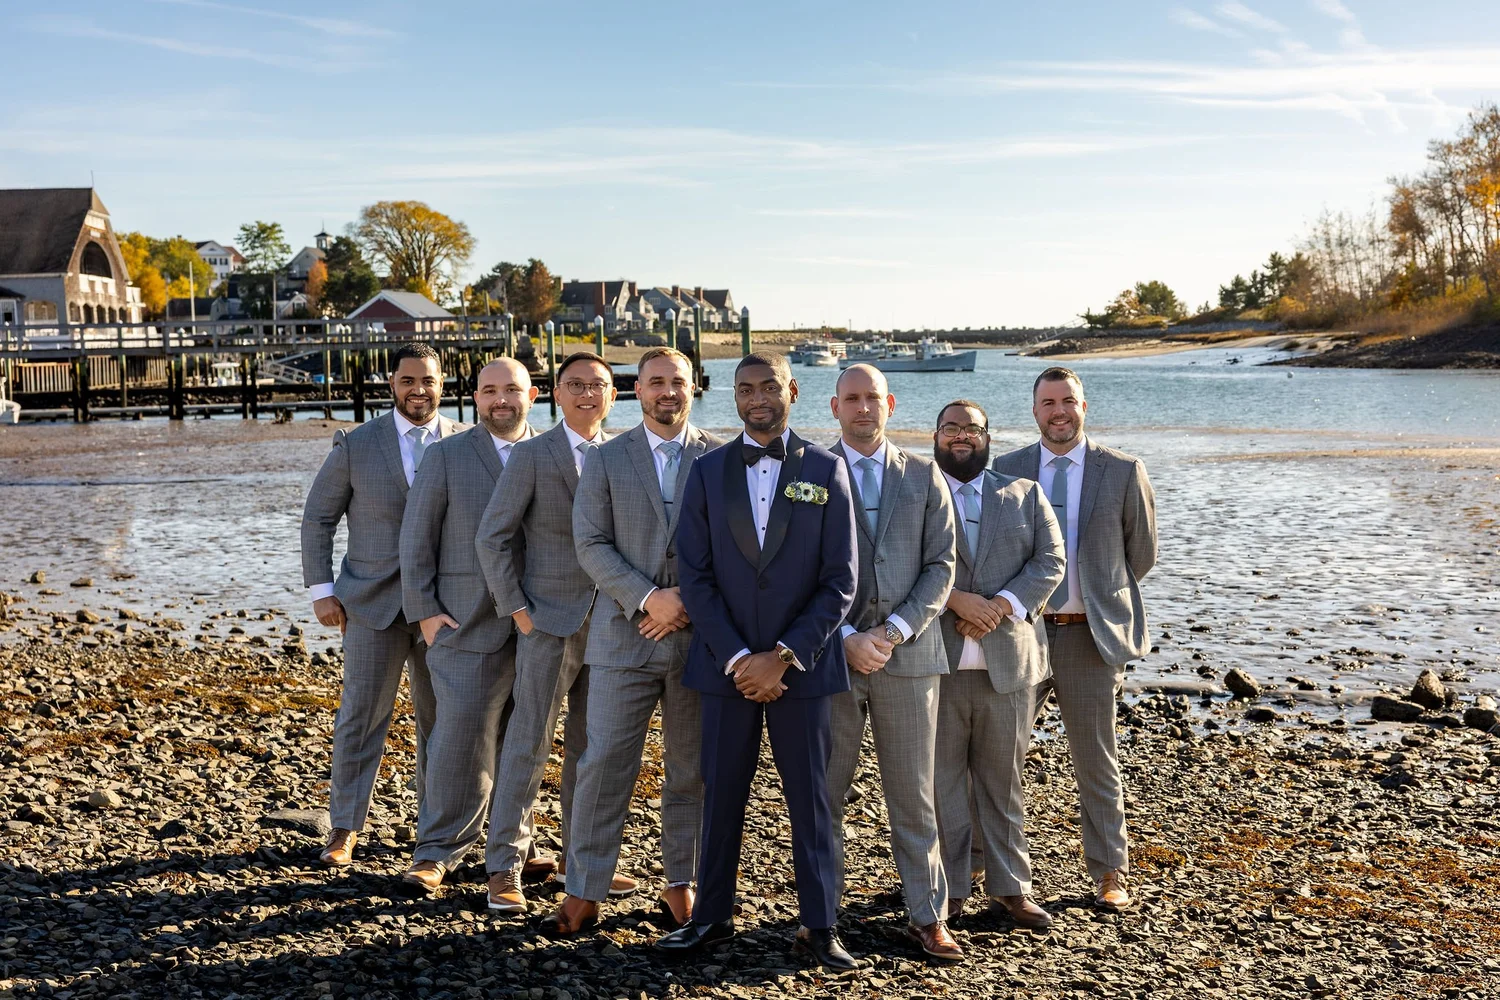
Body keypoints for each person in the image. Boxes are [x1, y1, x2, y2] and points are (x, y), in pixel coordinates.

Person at [656, 352, 859, 972]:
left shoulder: (827, 469)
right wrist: (743, 657)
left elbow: (840, 580)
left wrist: (785, 656)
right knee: (720, 795)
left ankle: (820, 925)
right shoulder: (708, 471)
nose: (758, 398)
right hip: (726, 668)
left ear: (792, 390)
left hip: (804, 668)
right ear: (734, 398)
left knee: (813, 799)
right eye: (746, 390)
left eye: (769, 386)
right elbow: (695, 574)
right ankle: (712, 918)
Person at [542, 347, 726, 936]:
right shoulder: (607, 457)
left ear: (693, 387)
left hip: (702, 643)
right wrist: (650, 598)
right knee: (603, 764)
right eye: (655, 382)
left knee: (690, 769)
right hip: (623, 637)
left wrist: (688, 605)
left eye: (677, 381)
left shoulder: (722, 457)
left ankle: (682, 883)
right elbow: (590, 542)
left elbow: (742, 547)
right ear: (636, 391)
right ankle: (585, 887)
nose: (667, 391)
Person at [992, 367, 1157, 912]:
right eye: (1048, 402)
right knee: (998, 755)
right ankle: (984, 864)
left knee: (1096, 756)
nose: (1058, 411)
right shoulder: (1007, 469)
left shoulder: (1123, 470)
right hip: (1022, 634)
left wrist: (1096, 595)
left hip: (1090, 636)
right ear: (1033, 410)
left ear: (1084, 406)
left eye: (1068, 401)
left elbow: (1141, 556)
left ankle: (1110, 871)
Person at [300, 342, 461, 867]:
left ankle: (434, 837)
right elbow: (318, 519)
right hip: (371, 604)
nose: (419, 390)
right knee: (361, 718)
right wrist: (322, 592)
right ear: (391, 383)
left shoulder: (466, 442)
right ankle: (344, 828)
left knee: (445, 724)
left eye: (429, 381)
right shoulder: (356, 444)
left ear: (443, 384)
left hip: (445, 608)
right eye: (408, 380)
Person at [477, 351, 624, 913]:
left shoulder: (625, 454)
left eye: (598, 385)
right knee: (528, 743)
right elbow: (493, 537)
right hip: (547, 622)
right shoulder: (533, 455)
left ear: (614, 395)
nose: (588, 393)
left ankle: (579, 863)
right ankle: (504, 868)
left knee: (595, 750)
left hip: (615, 626)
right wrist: (516, 608)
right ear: (556, 394)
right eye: (576, 385)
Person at [824, 365, 961, 962]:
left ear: (890, 404)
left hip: (909, 657)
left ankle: (927, 915)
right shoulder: (806, 472)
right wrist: (847, 634)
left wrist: (896, 629)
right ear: (834, 407)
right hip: (831, 658)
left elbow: (942, 565)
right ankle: (820, 912)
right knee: (825, 792)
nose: (862, 408)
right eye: (851, 399)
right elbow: (792, 569)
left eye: (871, 398)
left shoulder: (926, 474)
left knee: (915, 793)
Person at [397, 358, 538, 892]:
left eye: (512, 389)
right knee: (458, 738)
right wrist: (425, 613)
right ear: (475, 397)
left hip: (538, 626)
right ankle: (436, 851)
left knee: (525, 742)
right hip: (463, 622)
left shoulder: (552, 451)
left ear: (533, 394)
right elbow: (416, 538)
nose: (501, 400)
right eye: (490, 391)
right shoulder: (447, 455)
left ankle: (516, 848)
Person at [930, 400, 1064, 929]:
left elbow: (1051, 561)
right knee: (940, 785)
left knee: (1002, 782)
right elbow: (893, 564)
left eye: (971, 428)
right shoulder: (917, 490)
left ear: (988, 436)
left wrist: (1000, 607)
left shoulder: (1026, 494)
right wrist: (956, 601)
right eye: (951, 428)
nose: (961, 436)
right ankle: (951, 889)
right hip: (935, 661)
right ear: (936, 435)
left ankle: (1011, 888)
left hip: (1008, 662)